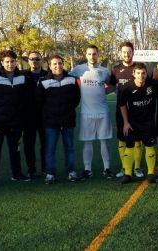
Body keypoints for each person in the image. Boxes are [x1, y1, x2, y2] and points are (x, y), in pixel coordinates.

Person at [70, 44, 113, 179]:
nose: (92, 56)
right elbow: (68, 79)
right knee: (87, 142)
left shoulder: (105, 71)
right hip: (86, 113)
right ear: (85, 55)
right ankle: (87, 169)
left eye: (94, 54)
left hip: (103, 112)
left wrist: (101, 93)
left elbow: (111, 86)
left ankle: (107, 168)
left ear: (98, 55)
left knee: (104, 141)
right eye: (89, 54)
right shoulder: (78, 69)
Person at [36, 55, 81, 184]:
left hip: (68, 121)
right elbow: (39, 102)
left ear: (63, 64)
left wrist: (68, 112)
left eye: (60, 63)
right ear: (49, 66)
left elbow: (76, 99)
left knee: (69, 148)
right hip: (51, 122)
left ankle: (71, 172)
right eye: (54, 64)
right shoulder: (43, 82)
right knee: (50, 149)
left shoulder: (71, 80)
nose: (58, 66)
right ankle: (50, 173)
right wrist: (49, 115)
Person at [0, 50, 30, 188]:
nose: (10, 64)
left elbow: (25, 100)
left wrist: (22, 118)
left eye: (12, 61)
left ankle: (16, 174)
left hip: (15, 122)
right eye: (7, 61)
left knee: (15, 150)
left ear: (16, 62)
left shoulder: (22, 77)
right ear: (2, 62)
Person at [110, 42, 145, 179]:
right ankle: (125, 167)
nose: (126, 54)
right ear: (121, 53)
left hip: (137, 110)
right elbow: (112, 86)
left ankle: (136, 167)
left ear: (133, 52)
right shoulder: (116, 69)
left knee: (136, 140)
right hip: (121, 109)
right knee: (122, 138)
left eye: (129, 52)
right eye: (124, 52)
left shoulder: (138, 68)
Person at [119, 63, 157, 184]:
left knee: (149, 146)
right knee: (129, 146)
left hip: (148, 123)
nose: (141, 76)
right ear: (133, 74)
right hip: (132, 123)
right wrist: (125, 122)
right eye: (138, 73)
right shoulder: (127, 87)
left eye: (143, 73)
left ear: (146, 74)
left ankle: (151, 172)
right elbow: (122, 104)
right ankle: (128, 173)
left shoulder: (152, 85)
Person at [23, 50, 47, 179]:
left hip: (44, 116)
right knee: (29, 144)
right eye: (32, 59)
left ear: (41, 61)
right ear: (28, 61)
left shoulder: (48, 75)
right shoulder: (22, 75)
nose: (34, 61)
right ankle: (31, 169)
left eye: (37, 59)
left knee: (45, 144)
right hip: (28, 117)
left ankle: (45, 168)